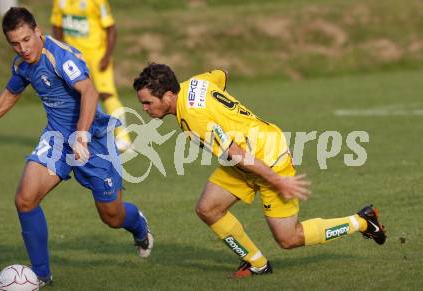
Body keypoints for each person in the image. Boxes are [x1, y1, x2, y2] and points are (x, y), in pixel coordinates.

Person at [132, 63, 386, 278]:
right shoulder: (195, 83)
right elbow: (221, 74)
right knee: (208, 208)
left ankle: (362, 221)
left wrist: (279, 181)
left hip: (266, 160)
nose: (145, 109)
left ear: (167, 96)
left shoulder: (193, 119)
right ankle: (257, 264)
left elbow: (237, 154)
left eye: (147, 102)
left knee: (289, 239)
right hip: (245, 159)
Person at [0, 7, 153, 287]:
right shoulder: (22, 64)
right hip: (56, 139)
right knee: (25, 200)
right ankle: (41, 275)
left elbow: (89, 91)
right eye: (15, 43)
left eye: (26, 39)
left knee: (112, 216)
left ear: (38, 31)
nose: (23, 48)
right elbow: (10, 95)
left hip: (93, 138)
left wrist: (82, 136)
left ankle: (139, 226)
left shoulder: (60, 55)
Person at [50, 0, 132, 152]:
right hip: (75, 59)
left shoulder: (96, 1)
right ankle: (93, 139)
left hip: (97, 56)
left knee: (107, 94)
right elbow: (57, 26)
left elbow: (111, 28)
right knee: (79, 97)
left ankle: (124, 138)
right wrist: (62, 52)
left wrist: (107, 56)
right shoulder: (59, 2)